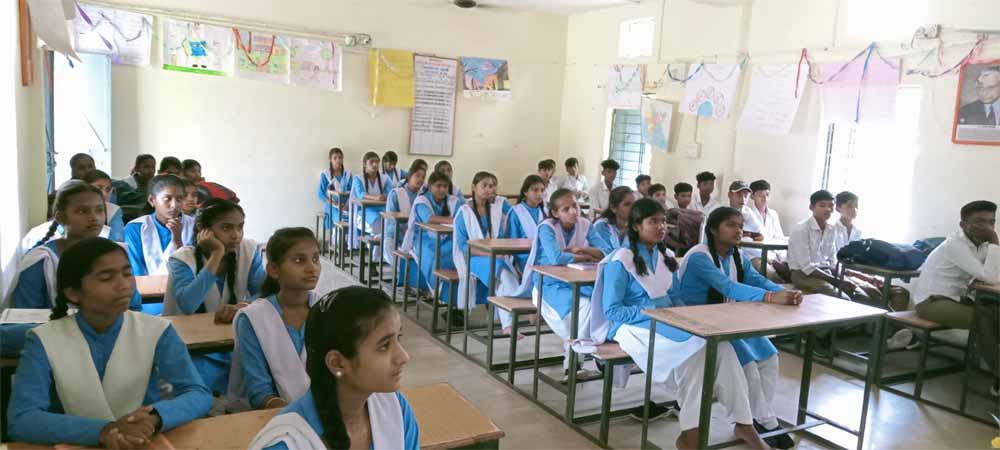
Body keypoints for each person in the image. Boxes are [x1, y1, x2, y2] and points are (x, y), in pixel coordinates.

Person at [587, 199, 774, 450]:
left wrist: (687, 317)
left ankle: (743, 423)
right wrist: (655, 311)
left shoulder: (665, 257)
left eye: (663, 221)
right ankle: (692, 434)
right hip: (632, 326)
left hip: (668, 321)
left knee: (722, 348)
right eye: (653, 221)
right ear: (636, 226)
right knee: (695, 355)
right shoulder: (620, 260)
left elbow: (676, 297)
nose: (661, 227)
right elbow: (613, 311)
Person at [7, 238, 212, 447]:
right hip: (75, 444)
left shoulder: (157, 330)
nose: (124, 285)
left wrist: (155, 418)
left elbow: (198, 393)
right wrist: (103, 431)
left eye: (127, 273)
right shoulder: (43, 339)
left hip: (141, 441)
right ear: (73, 293)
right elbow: (22, 419)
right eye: (106, 278)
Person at [675, 207, 802, 449]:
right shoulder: (700, 256)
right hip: (698, 326)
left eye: (740, 225)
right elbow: (727, 287)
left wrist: (784, 292)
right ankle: (763, 423)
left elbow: (757, 279)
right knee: (749, 368)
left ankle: (758, 419)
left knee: (769, 356)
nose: (738, 230)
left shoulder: (736, 256)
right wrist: (770, 297)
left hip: (727, 321)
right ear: (714, 230)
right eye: (731, 225)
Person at [248, 287, 419, 450]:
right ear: (336, 363)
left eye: (399, 337)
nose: (404, 356)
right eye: (384, 346)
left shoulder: (395, 408)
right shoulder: (288, 442)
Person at [162, 199, 266, 394]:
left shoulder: (249, 251)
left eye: (240, 227)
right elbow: (188, 304)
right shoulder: (182, 258)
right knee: (202, 389)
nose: (236, 235)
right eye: (226, 228)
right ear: (204, 231)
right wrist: (216, 254)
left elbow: (264, 292)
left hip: (230, 337)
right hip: (191, 344)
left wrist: (244, 305)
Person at [4, 181, 141, 312]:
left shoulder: (115, 255)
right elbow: (25, 316)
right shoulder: (42, 259)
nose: (94, 217)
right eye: (82, 211)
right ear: (60, 217)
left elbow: (133, 306)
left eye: (99, 210)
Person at [911, 200, 999, 395]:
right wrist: (994, 239)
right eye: (980, 221)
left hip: (957, 299)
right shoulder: (955, 245)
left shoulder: (981, 246)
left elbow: (994, 274)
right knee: (983, 319)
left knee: (995, 314)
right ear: (963, 224)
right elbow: (991, 277)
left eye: (991, 222)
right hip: (932, 301)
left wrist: (990, 249)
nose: (987, 227)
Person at [230, 228, 320, 410]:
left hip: (323, 407)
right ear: (273, 270)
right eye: (299, 260)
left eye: (315, 259)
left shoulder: (327, 309)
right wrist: (295, 414)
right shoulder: (253, 319)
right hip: (275, 413)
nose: (312, 268)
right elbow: (259, 391)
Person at [533, 189, 603, 373]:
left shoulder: (585, 224)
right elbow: (555, 258)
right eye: (566, 209)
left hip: (574, 279)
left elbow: (605, 252)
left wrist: (581, 249)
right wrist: (583, 257)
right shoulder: (547, 228)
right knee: (584, 306)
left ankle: (573, 361)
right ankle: (575, 359)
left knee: (595, 301)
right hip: (548, 282)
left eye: (575, 206)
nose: (573, 211)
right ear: (555, 213)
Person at [453, 172, 519, 334]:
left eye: (492, 186)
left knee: (501, 281)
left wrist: (497, 252)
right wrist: (491, 254)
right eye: (485, 185)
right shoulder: (464, 211)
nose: (489, 189)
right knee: (505, 274)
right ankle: (512, 319)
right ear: (473, 187)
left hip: (495, 256)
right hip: (474, 257)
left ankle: (508, 325)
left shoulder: (496, 208)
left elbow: (512, 221)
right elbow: (464, 247)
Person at [401, 171, 462, 321]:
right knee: (435, 257)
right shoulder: (422, 200)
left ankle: (455, 302)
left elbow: (463, 215)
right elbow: (429, 219)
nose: (442, 189)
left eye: (445, 186)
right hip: (423, 238)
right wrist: (452, 220)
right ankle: (440, 292)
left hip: (447, 238)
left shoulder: (453, 200)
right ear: (430, 186)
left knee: (457, 255)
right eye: (438, 186)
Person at [123, 175, 196, 276]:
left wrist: (178, 241)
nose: (174, 205)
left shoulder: (194, 226)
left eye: (179, 199)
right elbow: (136, 271)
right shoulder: (136, 228)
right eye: (167, 199)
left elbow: (192, 270)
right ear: (152, 200)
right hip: (145, 285)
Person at [383, 161, 426, 290]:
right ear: (409, 175)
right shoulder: (396, 193)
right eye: (417, 175)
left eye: (423, 177)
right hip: (395, 234)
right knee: (391, 248)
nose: (420, 179)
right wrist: (405, 231)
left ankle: (418, 283)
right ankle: (408, 280)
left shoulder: (424, 195)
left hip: (416, 236)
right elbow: (391, 219)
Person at [504, 175, 547, 294]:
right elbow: (511, 242)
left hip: (543, 256)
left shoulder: (545, 212)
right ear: (525, 192)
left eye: (542, 190)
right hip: (523, 257)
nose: (539, 194)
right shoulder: (516, 212)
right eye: (535, 190)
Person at [349, 152, 393, 250]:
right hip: (363, 211)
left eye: (377, 162)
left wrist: (385, 196)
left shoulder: (385, 178)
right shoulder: (358, 178)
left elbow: (390, 193)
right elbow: (361, 194)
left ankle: (380, 252)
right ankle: (375, 253)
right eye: (371, 162)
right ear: (365, 164)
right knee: (378, 222)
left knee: (389, 220)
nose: (375, 164)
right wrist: (376, 198)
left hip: (381, 209)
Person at [743, 180, 786, 276]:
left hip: (773, 255)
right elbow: (748, 244)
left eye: (767, 195)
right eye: (760, 195)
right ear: (752, 196)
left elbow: (779, 238)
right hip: (755, 255)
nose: (764, 198)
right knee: (770, 274)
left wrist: (782, 259)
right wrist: (770, 259)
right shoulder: (747, 214)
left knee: (791, 268)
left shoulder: (773, 214)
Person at [591, 186, 639, 255]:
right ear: (613, 208)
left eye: (634, 204)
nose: (632, 208)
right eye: (627, 204)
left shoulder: (637, 226)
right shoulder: (601, 226)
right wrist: (622, 234)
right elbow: (608, 255)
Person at [82, 170, 125, 242]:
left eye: (108, 190)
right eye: (99, 188)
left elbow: (117, 240)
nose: (104, 194)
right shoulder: (72, 208)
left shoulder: (113, 210)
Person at [318, 147, 353, 230]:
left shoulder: (347, 174)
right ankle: (336, 237)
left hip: (346, 205)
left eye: (340, 158)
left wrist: (347, 205)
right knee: (340, 218)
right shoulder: (325, 174)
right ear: (330, 159)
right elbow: (321, 194)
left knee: (354, 218)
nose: (338, 160)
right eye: (335, 158)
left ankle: (350, 238)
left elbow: (352, 192)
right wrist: (334, 203)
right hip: (332, 205)